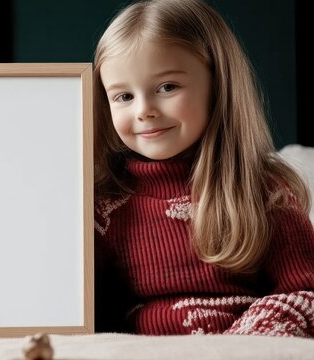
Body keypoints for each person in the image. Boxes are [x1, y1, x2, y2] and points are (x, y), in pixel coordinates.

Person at [93, 0, 314, 337]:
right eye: (123, 96)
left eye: (167, 87)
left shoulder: (266, 191)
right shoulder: (102, 207)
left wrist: (242, 344)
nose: (144, 110)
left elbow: (305, 294)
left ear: (218, 84)